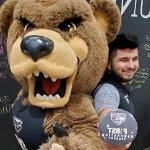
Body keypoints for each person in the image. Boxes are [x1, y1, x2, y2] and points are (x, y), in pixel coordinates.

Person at [93, 33, 139, 150]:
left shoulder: (119, 87)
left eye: (135, 59)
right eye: (124, 60)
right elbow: (106, 117)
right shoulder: (108, 89)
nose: (131, 65)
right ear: (108, 64)